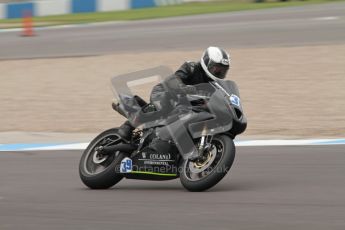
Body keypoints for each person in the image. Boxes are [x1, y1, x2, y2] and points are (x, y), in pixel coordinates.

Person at [116, 46, 231, 141]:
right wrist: (185, 88)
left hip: (183, 106)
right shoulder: (191, 67)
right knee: (162, 104)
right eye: (217, 69)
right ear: (207, 62)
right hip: (164, 93)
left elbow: (218, 98)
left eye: (223, 70)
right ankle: (129, 125)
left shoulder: (213, 85)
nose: (219, 72)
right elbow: (173, 80)